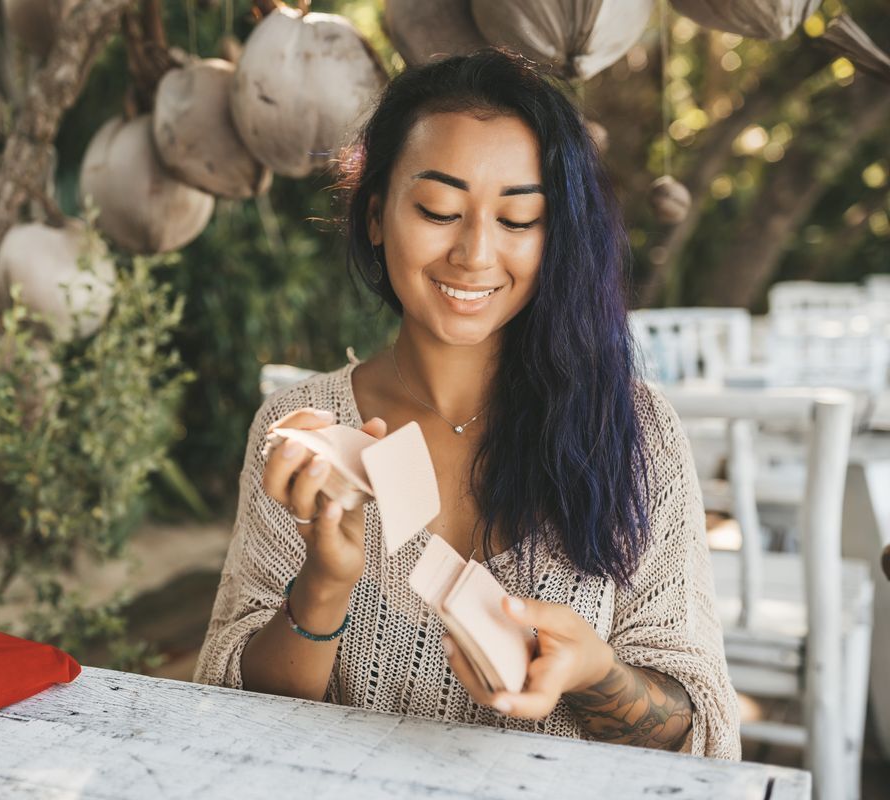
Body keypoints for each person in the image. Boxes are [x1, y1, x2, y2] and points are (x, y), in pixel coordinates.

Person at [192, 47, 740, 760]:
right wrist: (324, 583)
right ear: (377, 214)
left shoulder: (633, 431)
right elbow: (237, 717)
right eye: (440, 209)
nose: (476, 253)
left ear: (557, 238)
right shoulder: (305, 432)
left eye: (517, 219)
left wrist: (593, 672)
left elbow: (691, 725)